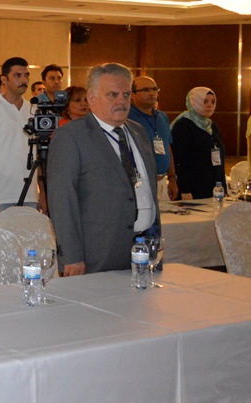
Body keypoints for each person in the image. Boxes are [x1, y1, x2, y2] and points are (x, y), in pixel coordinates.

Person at [47, 63, 159, 275]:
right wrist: (71, 256)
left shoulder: (139, 132)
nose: (121, 101)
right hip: (98, 253)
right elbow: (62, 200)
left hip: (145, 247)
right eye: (112, 95)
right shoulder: (70, 137)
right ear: (91, 98)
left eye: (126, 94)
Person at [0, 57, 44, 218]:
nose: (24, 80)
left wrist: (42, 194)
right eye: (18, 75)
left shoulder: (34, 110)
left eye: (26, 75)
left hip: (30, 196)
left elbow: (39, 156)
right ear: (4, 79)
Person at [129, 76, 179, 202]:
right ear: (132, 94)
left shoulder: (162, 117)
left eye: (154, 89)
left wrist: (172, 178)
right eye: (145, 90)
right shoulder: (126, 118)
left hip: (162, 182)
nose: (151, 93)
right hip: (139, 183)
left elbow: (167, 147)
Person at [171, 87, 226, 199]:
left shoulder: (211, 126)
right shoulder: (183, 125)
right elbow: (179, 161)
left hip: (213, 188)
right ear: (194, 102)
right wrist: (185, 189)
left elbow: (219, 159)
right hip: (192, 189)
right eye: (204, 101)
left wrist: (222, 187)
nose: (210, 105)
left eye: (213, 102)